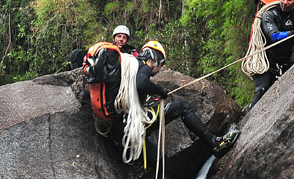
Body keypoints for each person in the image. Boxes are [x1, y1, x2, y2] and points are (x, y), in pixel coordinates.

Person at [92, 40, 240, 160]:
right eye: (160, 65)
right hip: (129, 126)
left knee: (160, 161)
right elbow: (141, 83)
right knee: (182, 106)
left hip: (119, 128)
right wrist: (160, 91)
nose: (159, 71)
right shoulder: (142, 66)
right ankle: (215, 143)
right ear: (155, 60)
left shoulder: (128, 66)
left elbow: (136, 90)